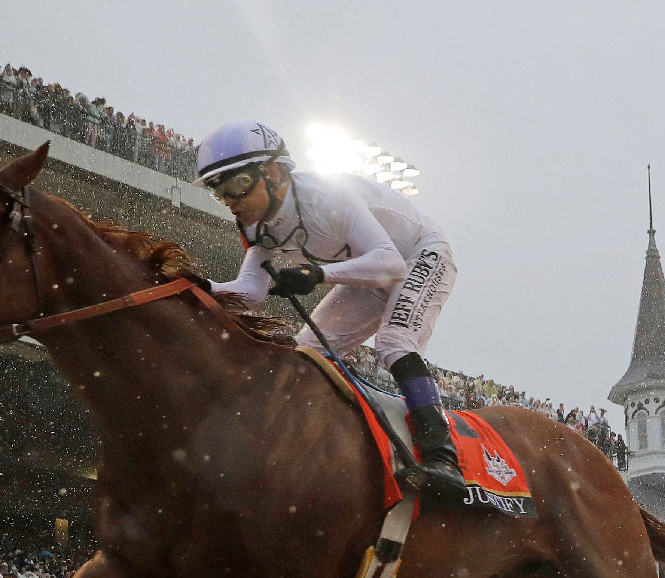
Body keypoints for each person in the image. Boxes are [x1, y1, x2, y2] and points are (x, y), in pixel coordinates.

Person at [196, 119, 464, 491]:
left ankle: (443, 457)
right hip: (372, 268)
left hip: (419, 253)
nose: (230, 201)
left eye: (237, 186)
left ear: (272, 173)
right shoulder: (256, 227)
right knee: (305, 351)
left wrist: (316, 275)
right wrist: (202, 287)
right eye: (218, 192)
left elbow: (391, 264)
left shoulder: (328, 195)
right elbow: (250, 291)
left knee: (395, 342)